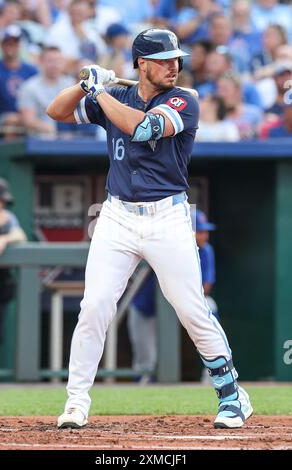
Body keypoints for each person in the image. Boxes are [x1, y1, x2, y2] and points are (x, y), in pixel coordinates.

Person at [47, 27, 253, 430]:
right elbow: (56, 112)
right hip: (117, 216)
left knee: (191, 309)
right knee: (95, 304)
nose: (173, 66)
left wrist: (99, 94)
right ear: (141, 64)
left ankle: (232, 396)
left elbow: (143, 128)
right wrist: (84, 84)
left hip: (167, 217)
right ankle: (76, 402)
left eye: (176, 60)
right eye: (163, 61)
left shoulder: (185, 99)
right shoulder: (117, 95)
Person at [127, 209, 220, 384]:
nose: (204, 236)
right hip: (146, 307)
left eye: (205, 231)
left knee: (210, 305)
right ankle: (143, 390)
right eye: (200, 231)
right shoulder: (160, 245)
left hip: (180, 303)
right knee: (146, 361)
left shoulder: (205, 251)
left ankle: (213, 373)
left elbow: (205, 287)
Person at [0, 177, 27, 346]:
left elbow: (20, 235)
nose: (0, 205)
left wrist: (4, 239)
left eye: (2, 201)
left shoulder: (6, 217)